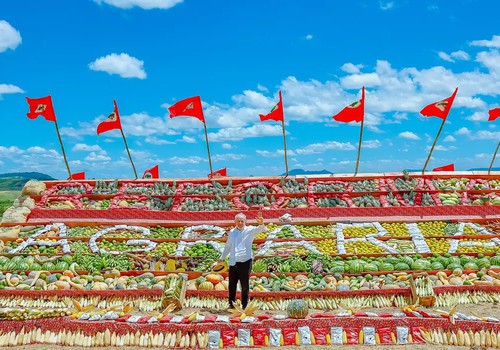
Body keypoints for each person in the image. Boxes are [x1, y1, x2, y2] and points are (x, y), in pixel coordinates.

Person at [218, 211, 265, 309]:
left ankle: (244, 304)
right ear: (235, 222)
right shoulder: (232, 232)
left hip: (245, 261)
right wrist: (222, 257)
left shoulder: (250, 230)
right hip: (233, 261)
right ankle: (231, 304)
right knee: (232, 284)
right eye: (238, 221)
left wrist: (261, 223)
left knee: (244, 284)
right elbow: (228, 246)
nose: (240, 222)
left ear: (245, 221)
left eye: (242, 221)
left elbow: (260, 229)